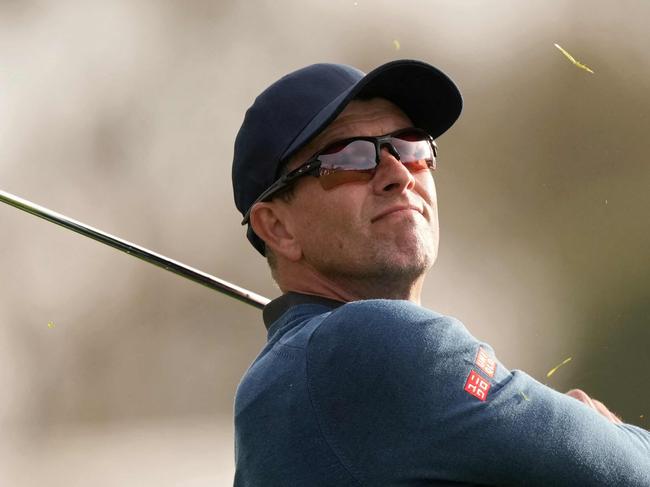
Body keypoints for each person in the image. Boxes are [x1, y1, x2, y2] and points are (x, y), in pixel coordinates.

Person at [230, 60, 650, 486]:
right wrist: (610, 436)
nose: (397, 174)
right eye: (350, 157)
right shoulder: (365, 341)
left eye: (412, 147)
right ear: (278, 228)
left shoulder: (285, 380)